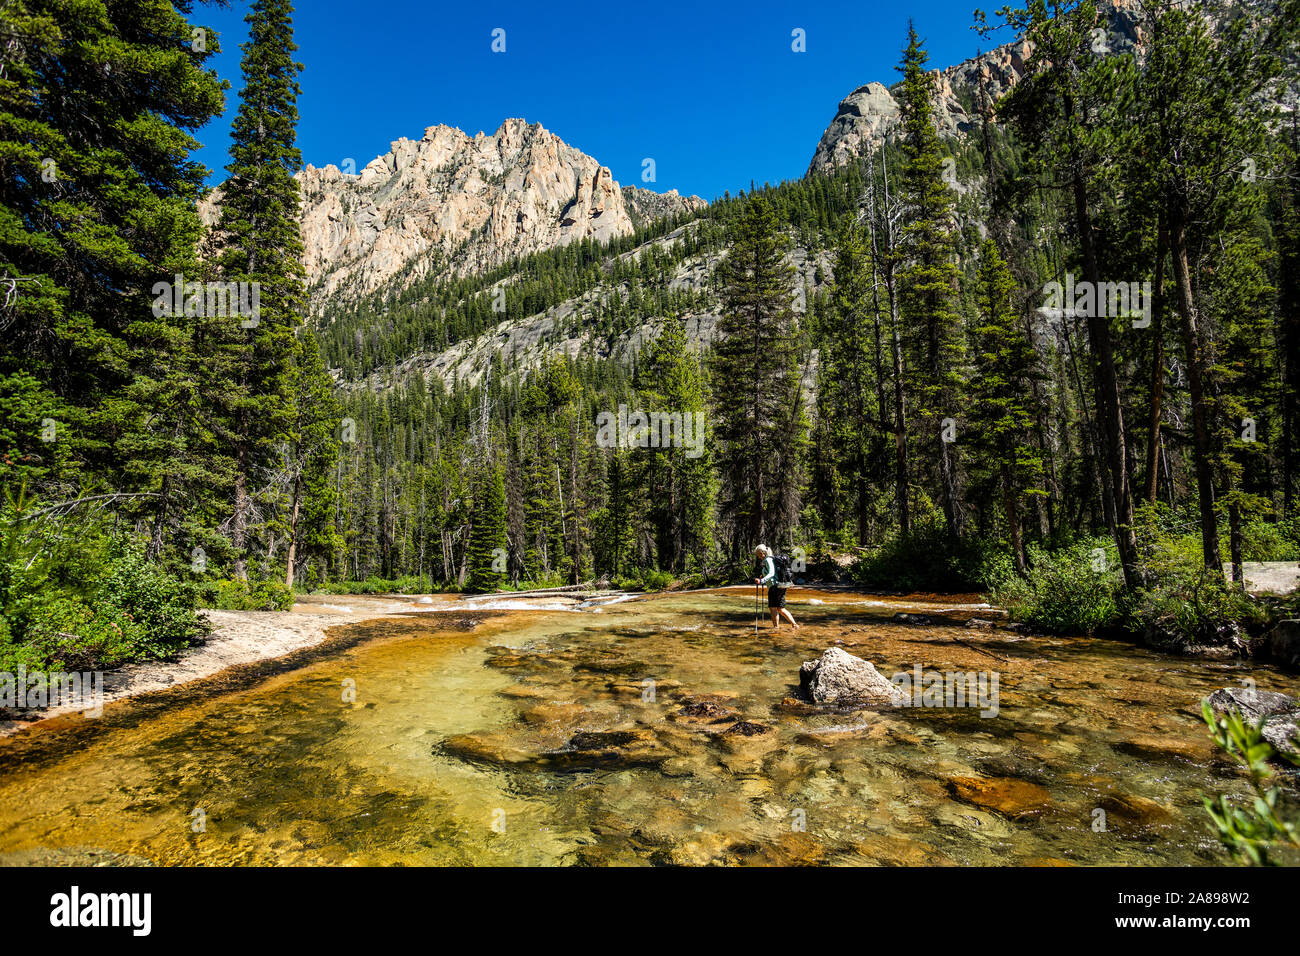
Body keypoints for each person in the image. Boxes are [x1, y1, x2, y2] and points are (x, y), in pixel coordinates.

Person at [754, 544, 798, 630]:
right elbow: (772, 573)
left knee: (773, 608)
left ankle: (776, 628)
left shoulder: (768, 560)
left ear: (762, 553)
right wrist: (763, 576)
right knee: (781, 608)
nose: (758, 557)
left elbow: (771, 573)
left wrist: (761, 581)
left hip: (774, 587)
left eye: (758, 555)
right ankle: (794, 625)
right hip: (781, 585)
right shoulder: (772, 559)